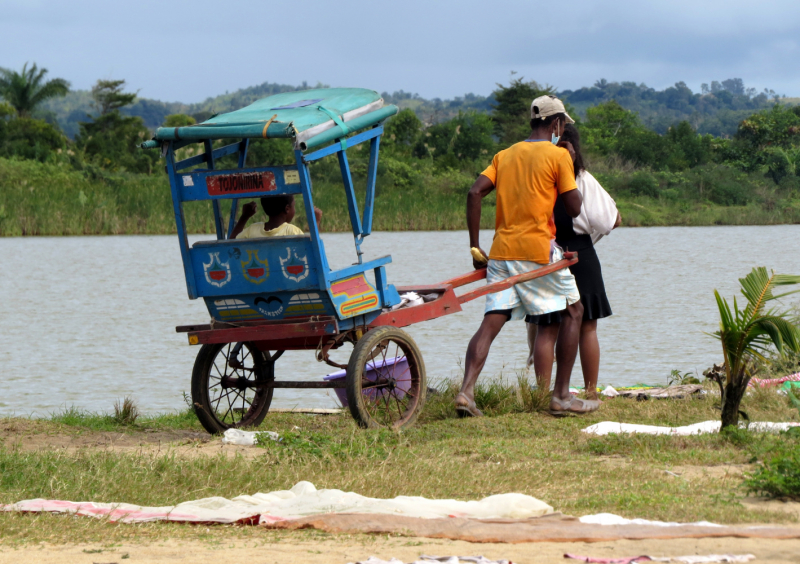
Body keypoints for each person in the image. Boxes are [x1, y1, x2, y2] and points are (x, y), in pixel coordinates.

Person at [457, 95, 601, 418]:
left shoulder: (505, 155)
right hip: (537, 251)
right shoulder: (557, 155)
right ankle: (561, 396)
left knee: (492, 321)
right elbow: (575, 207)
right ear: (556, 125)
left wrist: (475, 246)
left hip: (501, 253)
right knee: (575, 311)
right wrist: (569, 159)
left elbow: (474, 192)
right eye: (562, 124)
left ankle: (466, 391)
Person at [526, 124, 621, 400]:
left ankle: (543, 394)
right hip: (580, 252)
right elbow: (608, 220)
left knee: (547, 325)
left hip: (545, 252)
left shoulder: (536, 177)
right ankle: (590, 391)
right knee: (587, 326)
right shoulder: (582, 177)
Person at [231, 194, 322, 239]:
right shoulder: (292, 231)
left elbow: (230, 245)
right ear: (287, 209)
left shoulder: (252, 229)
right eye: (293, 206)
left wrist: (244, 217)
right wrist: (316, 222)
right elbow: (313, 249)